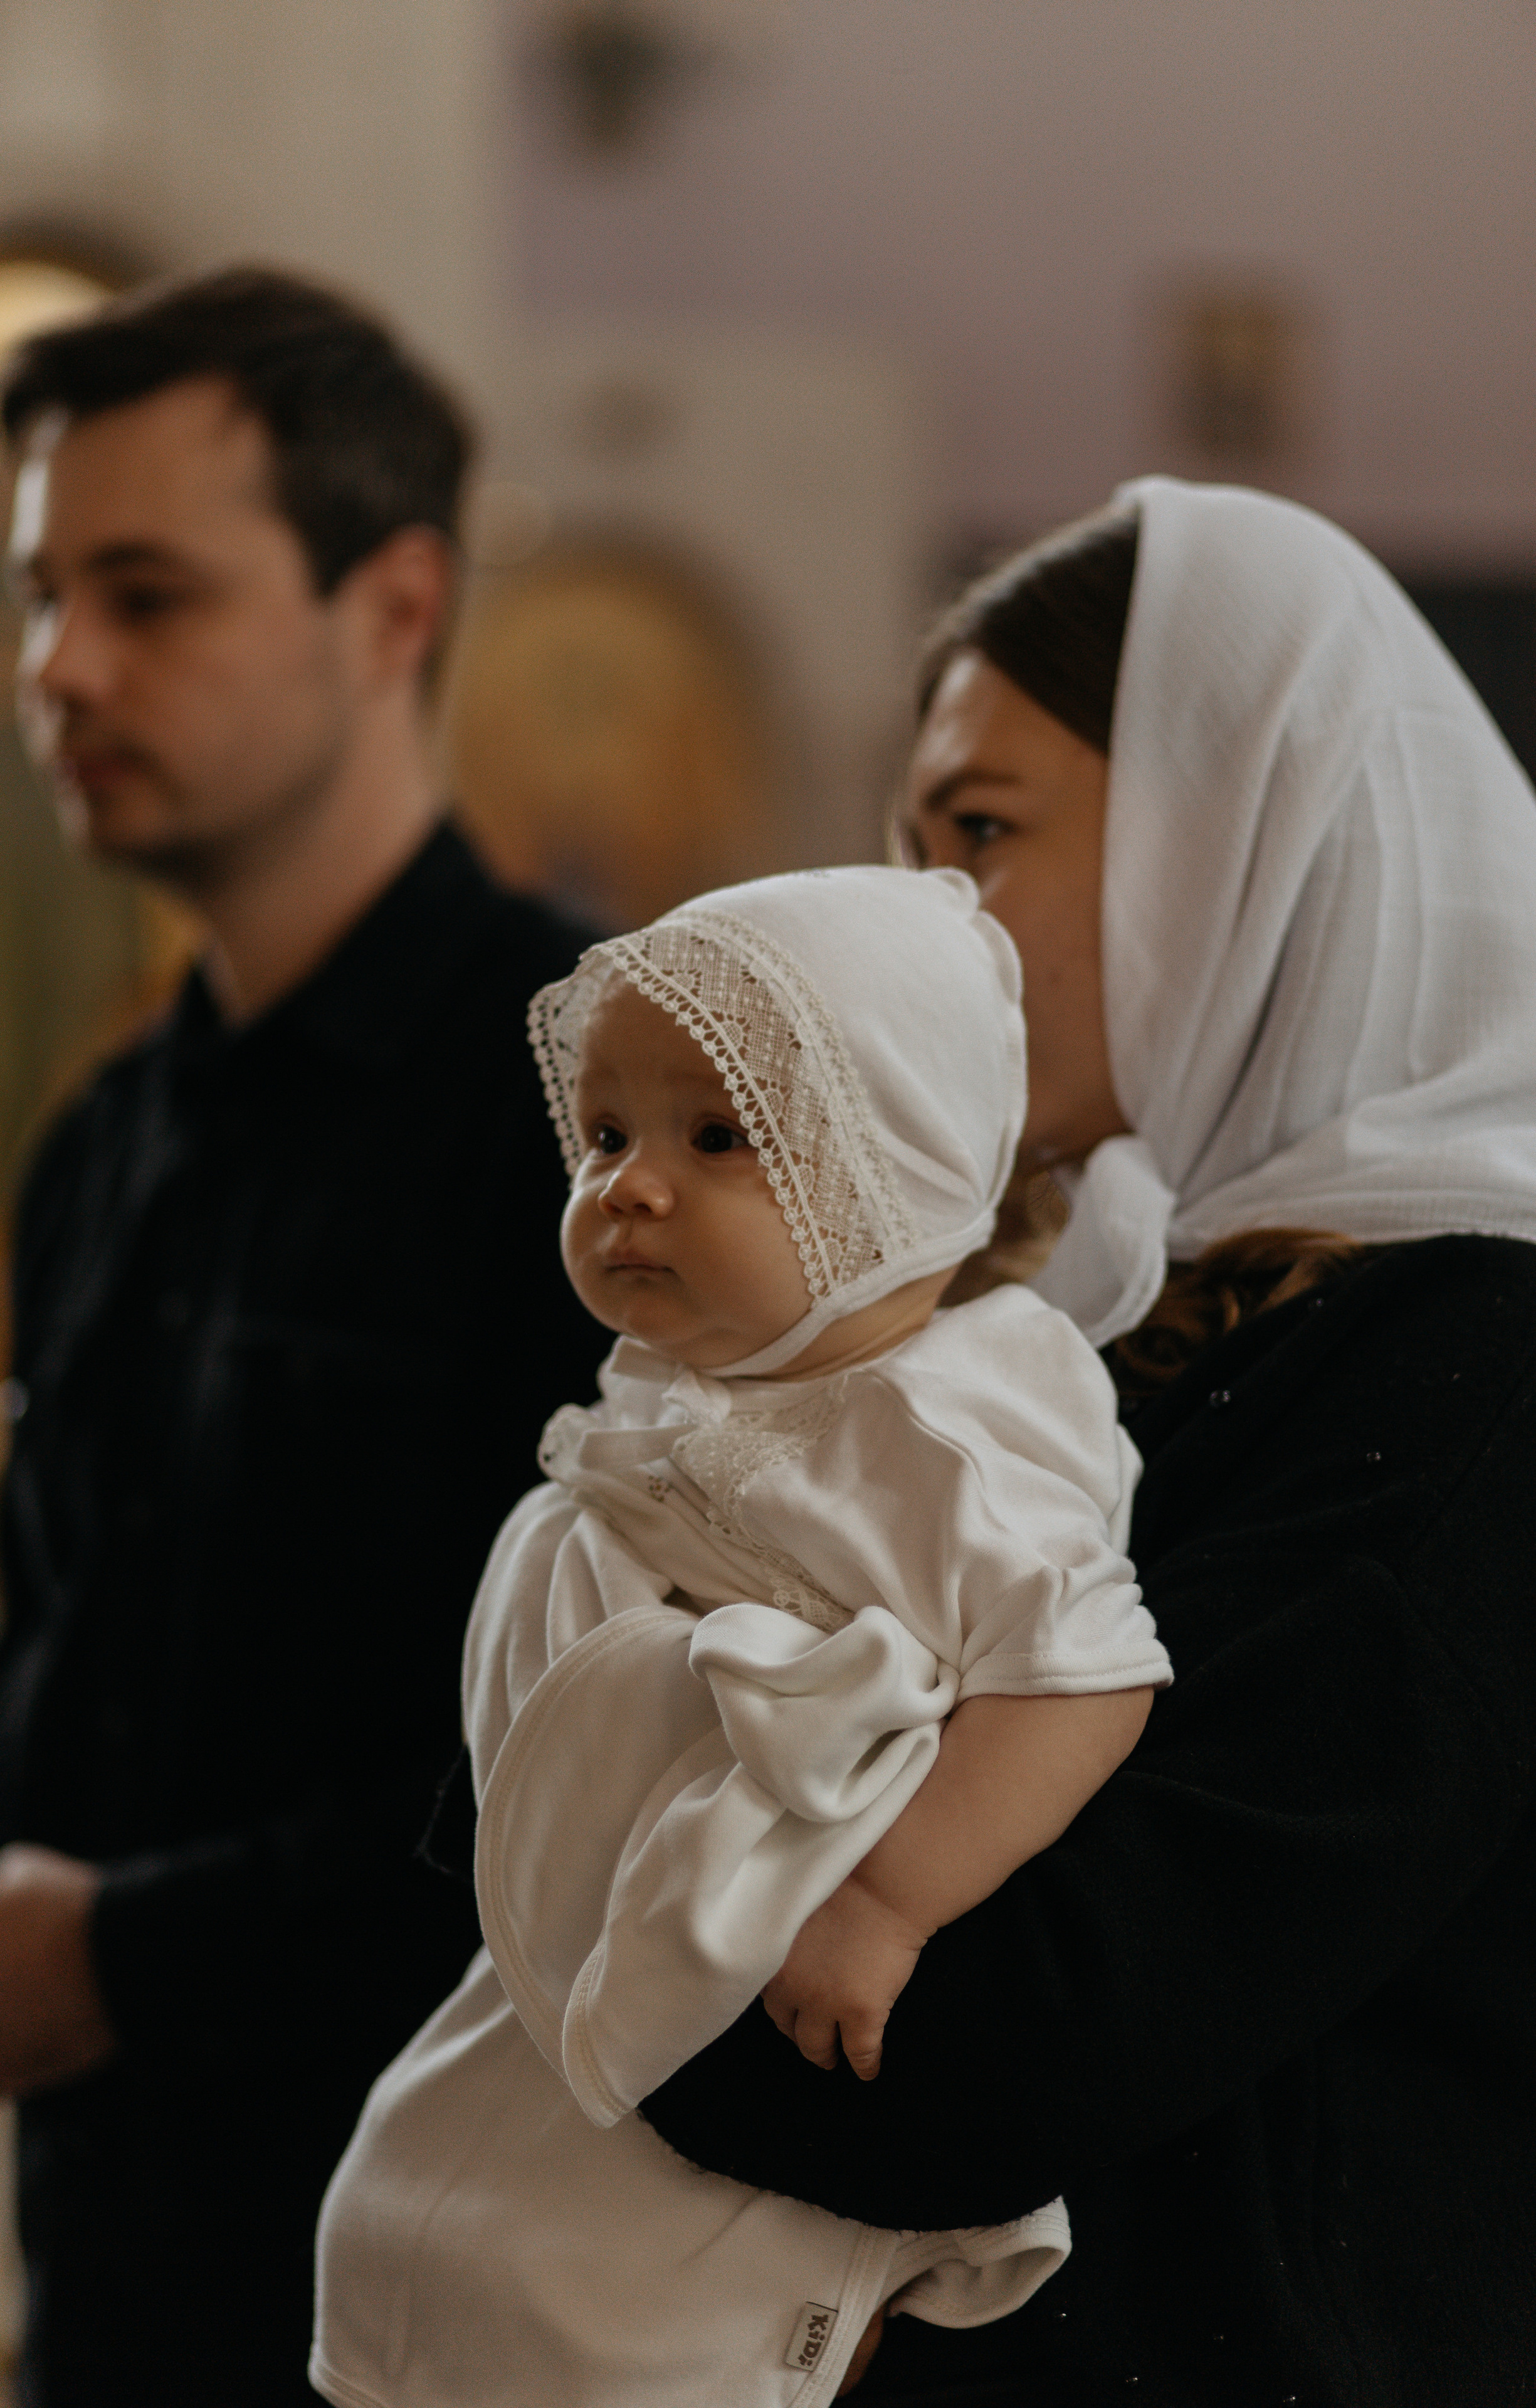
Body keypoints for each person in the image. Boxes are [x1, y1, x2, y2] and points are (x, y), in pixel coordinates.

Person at [613, 478, 1536, 2407]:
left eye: (983, 835)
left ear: (1247, 852)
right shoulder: (1117, 1316)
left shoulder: (1479, 1363)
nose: (923, 922)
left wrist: (569, 1894)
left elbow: (980, 2055)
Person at [0, 268, 604, 2407]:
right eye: (43, 596)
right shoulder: (108, 1134)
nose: (58, 669)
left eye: (146, 595)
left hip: (445, 2313)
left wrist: (124, 1957)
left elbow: (621, 1780)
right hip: (117, 2284)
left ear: (392, 607)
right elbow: (59, 1662)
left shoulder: (599, 1119)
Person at [310, 862, 1172, 2408]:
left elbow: (1085, 1677)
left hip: (781, 1959)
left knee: (610, 2300)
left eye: (719, 1138)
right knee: (424, 2207)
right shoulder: (694, 1397)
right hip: (603, 1930)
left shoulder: (940, 1429)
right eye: (604, 1134)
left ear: (892, 1169)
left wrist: (891, 1905)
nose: (631, 1185)